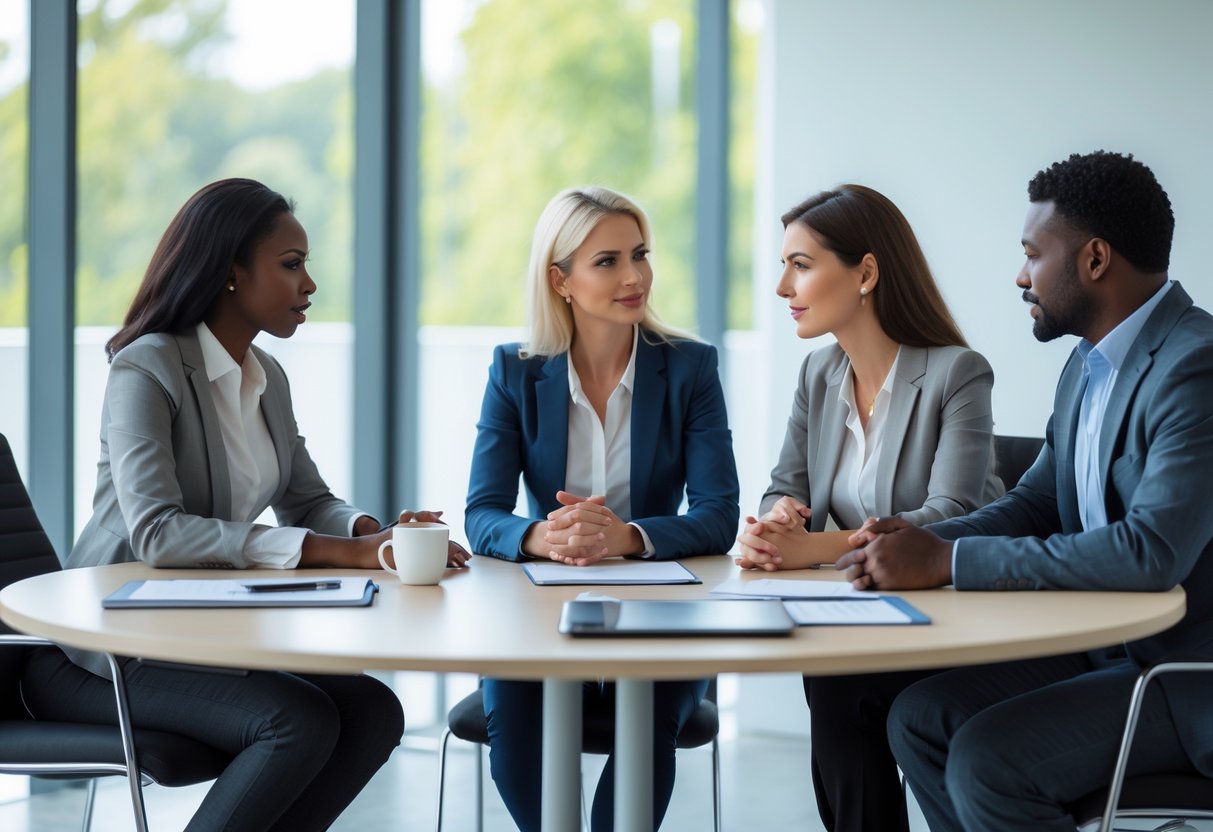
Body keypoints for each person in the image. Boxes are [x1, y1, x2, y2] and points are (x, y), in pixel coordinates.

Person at [20, 178, 468, 832]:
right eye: (291, 266)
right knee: (295, 720)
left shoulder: (266, 377)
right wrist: (341, 553)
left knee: (374, 711)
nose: (310, 284)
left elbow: (308, 500)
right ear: (231, 273)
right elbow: (157, 532)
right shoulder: (147, 369)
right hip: (97, 654)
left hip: (194, 640)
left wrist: (377, 532)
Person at [840, 151, 1213, 831]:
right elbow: (1035, 503)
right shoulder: (1087, 367)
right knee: (921, 719)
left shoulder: (1195, 367)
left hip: (1186, 678)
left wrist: (946, 565)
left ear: (1093, 259)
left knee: (988, 761)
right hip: (1107, 650)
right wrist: (915, 542)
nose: (1019, 275)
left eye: (1031, 253)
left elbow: (1150, 553)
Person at [465, 185, 739, 831]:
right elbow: (482, 512)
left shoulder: (690, 367)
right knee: (516, 723)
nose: (634, 276)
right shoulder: (514, 371)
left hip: (664, 607)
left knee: (645, 724)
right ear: (559, 279)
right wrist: (541, 536)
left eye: (639, 254)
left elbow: (719, 514)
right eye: (608, 261)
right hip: (539, 606)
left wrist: (628, 537)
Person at [736, 184, 1003, 832]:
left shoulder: (956, 373)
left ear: (865, 272)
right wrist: (779, 522)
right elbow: (782, 483)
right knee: (835, 679)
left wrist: (819, 548)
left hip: (956, 621)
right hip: (861, 615)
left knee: (837, 683)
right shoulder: (817, 376)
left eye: (799, 264)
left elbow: (954, 512)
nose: (781, 288)